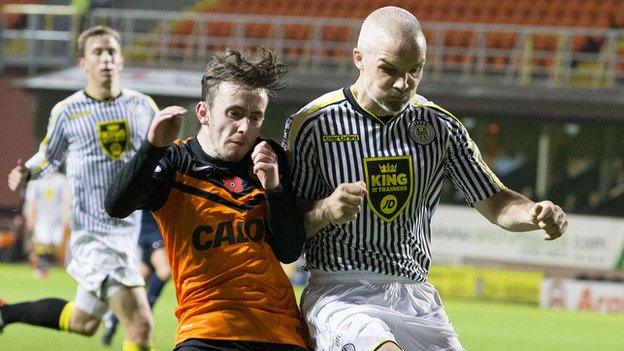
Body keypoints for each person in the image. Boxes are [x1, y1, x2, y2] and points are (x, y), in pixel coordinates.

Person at [283, 6, 568, 351]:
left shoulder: (439, 127)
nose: (404, 84)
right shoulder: (312, 125)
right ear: (358, 58)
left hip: (416, 295)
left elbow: (496, 200)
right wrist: (326, 210)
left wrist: (534, 213)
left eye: (415, 71)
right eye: (389, 70)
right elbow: (286, 234)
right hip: (340, 292)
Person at [104, 48, 310, 351]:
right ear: (203, 113)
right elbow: (116, 206)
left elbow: (289, 250)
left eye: (256, 117)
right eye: (234, 113)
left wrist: (276, 190)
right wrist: (151, 149)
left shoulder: (268, 159)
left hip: (278, 331)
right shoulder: (175, 162)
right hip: (205, 328)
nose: (245, 127)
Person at [2, 25, 157, 351]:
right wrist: (25, 174)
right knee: (140, 325)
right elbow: (47, 157)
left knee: (83, 323)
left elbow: (162, 160)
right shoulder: (68, 111)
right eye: (97, 52)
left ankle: (5, 313)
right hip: (94, 239)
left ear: (122, 60)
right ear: (83, 63)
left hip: (127, 234)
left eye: (111, 52)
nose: (105, 59)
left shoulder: (143, 107)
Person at [102, 210, 171, 346]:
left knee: (139, 280)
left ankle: (113, 319)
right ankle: (144, 312)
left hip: (150, 230)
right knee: (164, 271)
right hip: (150, 231)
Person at [23, 170, 71, 278]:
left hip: (57, 220)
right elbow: (31, 202)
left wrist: (66, 220)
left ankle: (54, 268)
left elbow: (66, 201)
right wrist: (31, 220)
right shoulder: (35, 181)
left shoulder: (62, 180)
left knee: (56, 244)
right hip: (42, 219)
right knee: (42, 243)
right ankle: (41, 268)